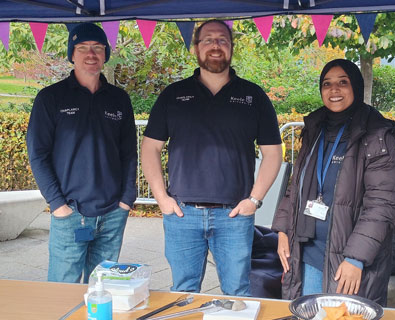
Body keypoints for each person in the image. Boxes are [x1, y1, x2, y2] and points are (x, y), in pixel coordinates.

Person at [141, 19, 282, 296]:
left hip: (234, 216)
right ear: (196, 48)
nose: (215, 46)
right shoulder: (174, 95)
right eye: (208, 40)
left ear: (231, 48)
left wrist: (254, 201)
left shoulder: (253, 96)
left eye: (222, 40)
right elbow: (150, 148)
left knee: (238, 293)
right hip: (182, 214)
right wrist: (161, 199)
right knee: (183, 294)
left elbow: (273, 153)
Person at [271, 59, 395, 306]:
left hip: (349, 261)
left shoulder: (377, 136)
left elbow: (383, 206)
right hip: (308, 254)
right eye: (327, 84)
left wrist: (356, 258)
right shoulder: (315, 128)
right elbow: (295, 188)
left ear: (356, 86)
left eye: (343, 82)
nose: (334, 90)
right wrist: (282, 230)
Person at [27, 23, 137, 283]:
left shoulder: (119, 99)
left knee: (104, 290)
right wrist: (57, 205)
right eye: (83, 48)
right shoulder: (50, 98)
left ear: (105, 54)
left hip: (112, 213)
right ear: (72, 54)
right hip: (70, 213)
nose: (91, 54)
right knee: (61, 291)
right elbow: (38, 154)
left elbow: (129, 153)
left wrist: (126, 199)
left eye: (98, 48)